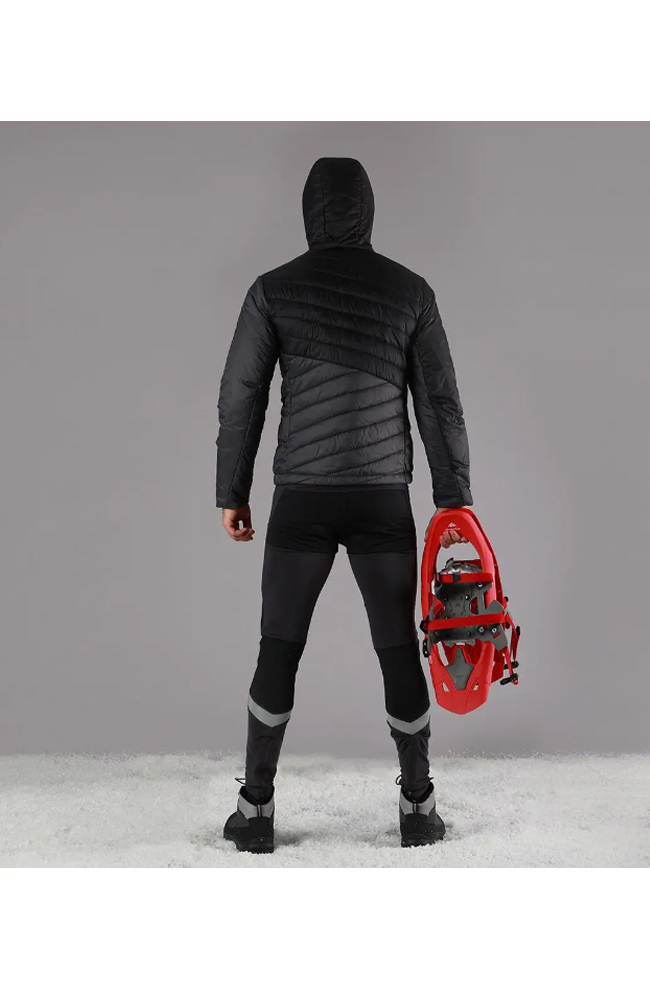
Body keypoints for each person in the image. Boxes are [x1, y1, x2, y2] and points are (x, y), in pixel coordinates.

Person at [216, 157, 471, 853]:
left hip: (300, 499)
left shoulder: (272, 290)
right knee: (399, 648)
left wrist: (232, 492)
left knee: (278, 648)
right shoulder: (410, 292)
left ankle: (255, 811)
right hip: (383, 499)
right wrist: (454, 502)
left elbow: (241, 396)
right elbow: (440, 402)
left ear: (308, 211)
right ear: (368, 210)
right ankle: (418, 809)